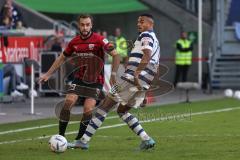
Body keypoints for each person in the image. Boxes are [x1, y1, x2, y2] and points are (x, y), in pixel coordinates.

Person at [67, 13, 160, 150]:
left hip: (130, 79)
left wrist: (136, 74)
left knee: (104, 107)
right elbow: (154, 65)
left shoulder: (146, 35)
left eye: (142, 22)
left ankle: (83, 141)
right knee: (122, 111)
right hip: (142, 82)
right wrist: (144, 88)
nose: (138, 24)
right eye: (137, 21)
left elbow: (146, 56)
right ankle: (146, 139)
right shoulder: (155, 39)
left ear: (150, 24)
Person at [39, 14, 120, 142]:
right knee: (68, 102)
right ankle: (61, 136)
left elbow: (116, 55)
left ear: (91, 25)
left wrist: (113, 76)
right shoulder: (74, 42)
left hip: (95, 82)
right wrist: (48, 74)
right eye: (82, 25)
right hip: (79, 79)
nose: (85, 27)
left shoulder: (100, 40)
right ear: (79, 26)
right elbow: (62, 57)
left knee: (88, 110)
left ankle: (79, 139)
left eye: (87, 24)